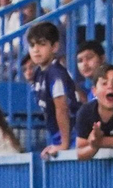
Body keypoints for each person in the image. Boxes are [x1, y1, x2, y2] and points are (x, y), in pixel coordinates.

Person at [28, 21, 77, 155]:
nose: (36, 49)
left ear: (55, 47)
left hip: (74, 136)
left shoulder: (56, 74)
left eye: (42, 44)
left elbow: (62, 108)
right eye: (32, 45)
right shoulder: (38, 73)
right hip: (58, 136)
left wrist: (64, 144)